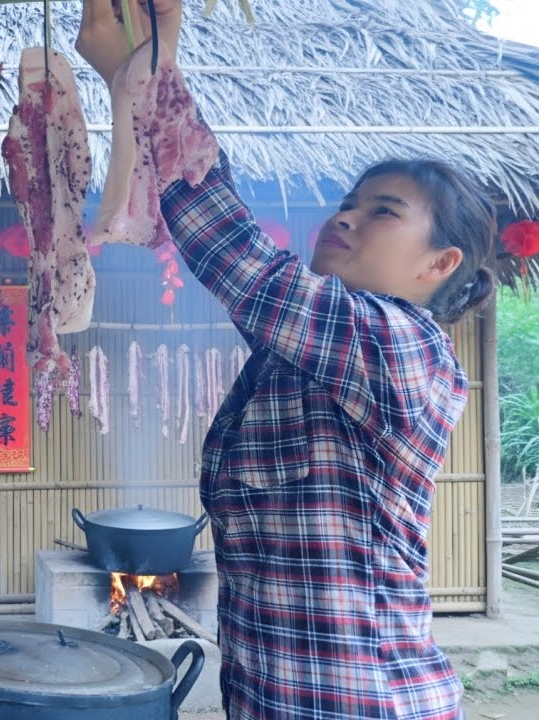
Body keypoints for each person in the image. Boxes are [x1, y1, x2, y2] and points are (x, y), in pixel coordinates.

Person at [77, 2, 496, 719]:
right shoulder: (302, 357)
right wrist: (152, 69)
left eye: (382, 212)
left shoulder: (404, 349)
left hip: (364, 703)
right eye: (348, 201)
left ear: (440, 263)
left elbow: (241, 260)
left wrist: (142, 76)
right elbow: (246, 260)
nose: (346, 217)